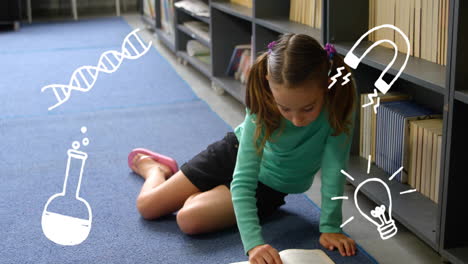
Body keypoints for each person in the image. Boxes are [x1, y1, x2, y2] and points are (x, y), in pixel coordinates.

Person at [128, 33, 357, 264]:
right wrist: (254, 244)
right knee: (147, 207)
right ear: (269, 82)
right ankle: (156, 170)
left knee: (188, 219)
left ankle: (210, 196)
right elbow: (244, 176)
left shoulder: (341, 102)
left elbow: (334, 168)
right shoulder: (264, 102)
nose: (296, 120)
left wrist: (330, 227)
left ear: (326, 86)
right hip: (232, 153)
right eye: (285, 109)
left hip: (269, 186)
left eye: (308, 108)